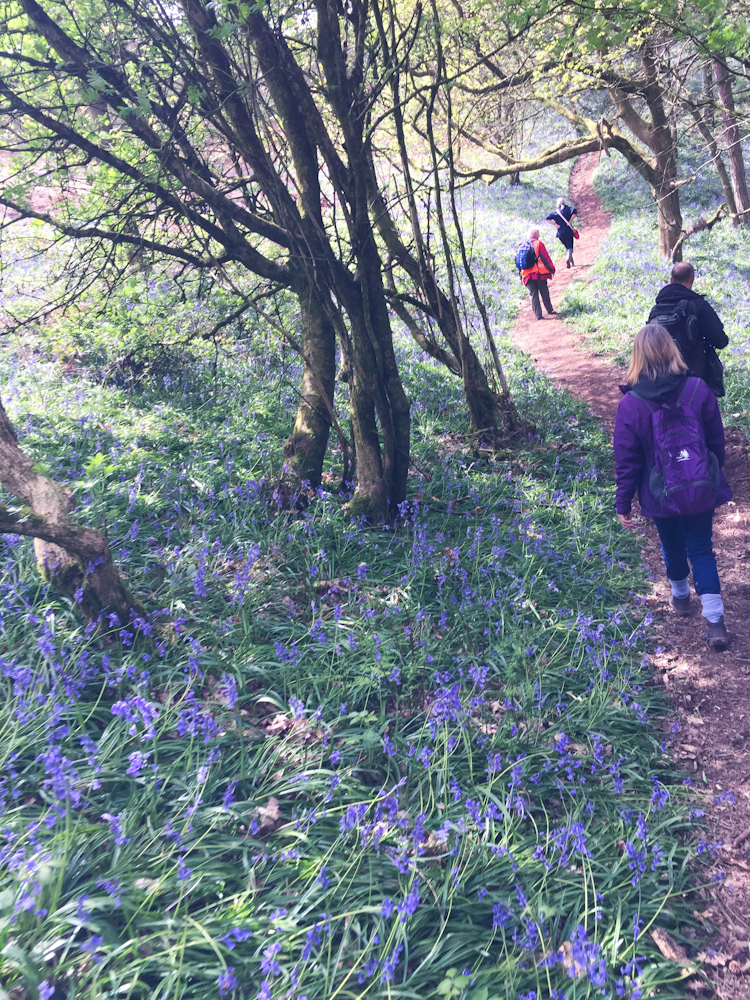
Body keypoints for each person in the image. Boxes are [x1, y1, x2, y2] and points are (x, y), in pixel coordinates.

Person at [614, 323, 732, 651]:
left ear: (637, 357)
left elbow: (627, 461)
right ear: (672, 350)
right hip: (699, 486)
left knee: (672, 544)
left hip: (658, 492)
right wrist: (709, 473)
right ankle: (715, 622)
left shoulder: (631, 404)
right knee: (701, 548)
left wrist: (623, 502)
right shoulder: (697, 389)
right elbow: (716, 442)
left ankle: (680, 598)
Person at [648, 261, 728, 395]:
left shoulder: (657, 308)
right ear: (692, 279)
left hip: (662, 375)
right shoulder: (699, 305)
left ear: (671, 280)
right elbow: (720, 341)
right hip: (694, 376)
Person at [518, 227, 556, 320]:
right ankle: (550, 310)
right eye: (538, 234)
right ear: (535, 234)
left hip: (526, 275)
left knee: (533, 294)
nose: (539, 236)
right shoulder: (538, 244)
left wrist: (520, 275)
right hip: (539, 273)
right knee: (544, 291)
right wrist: (552, 269)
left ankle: (538, 315)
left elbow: (519, 261)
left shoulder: (521, 245)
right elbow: (545, 258)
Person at [545, 197, 578, 268]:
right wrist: (570, 221)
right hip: (568, 230)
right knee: (570, 247)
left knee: (567, 246)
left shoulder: (555, 212)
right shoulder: (568, 209)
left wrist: (555, 224)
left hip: (560, 233)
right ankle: (567, 258)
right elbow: (575, 211)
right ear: (564, 202)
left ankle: (572, 262)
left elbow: (547, 219)